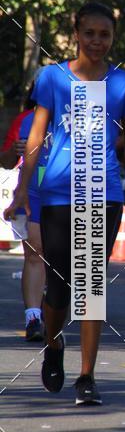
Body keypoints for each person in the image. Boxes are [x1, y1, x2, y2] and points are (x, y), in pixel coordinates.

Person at [4, 1, 125, 405]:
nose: (97, 41)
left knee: (91, 286)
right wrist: (22, 186)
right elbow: (37, 133)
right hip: (56, 193)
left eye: (104, 35)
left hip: (102, 194)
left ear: (112, 39)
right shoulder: (52, 78)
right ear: (76, 33)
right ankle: (54, 347)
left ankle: (87, 376)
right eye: (90, 33)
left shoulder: (123, 84)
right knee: (58, 291)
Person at [1, 82, 50, 341]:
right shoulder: (24, 120)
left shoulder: (79, 119)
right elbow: (7, 161)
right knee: (35, 253)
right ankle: (33, 317)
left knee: (61, 260)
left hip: (69, 194)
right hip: (33, 193)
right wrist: (13, 151)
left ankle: (53, 310)